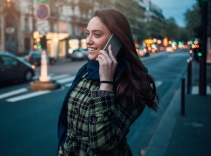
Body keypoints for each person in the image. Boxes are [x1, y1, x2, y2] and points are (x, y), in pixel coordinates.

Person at [57, 9, 159, 155]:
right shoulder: (86, 71)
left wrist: (106, 82)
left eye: (96, 34)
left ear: (116, 41)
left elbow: (102, 143)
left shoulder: (134, 85)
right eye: (87, 34)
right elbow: (68, 125)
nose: (88, 41)